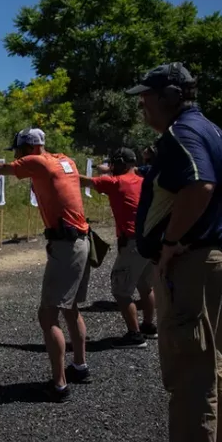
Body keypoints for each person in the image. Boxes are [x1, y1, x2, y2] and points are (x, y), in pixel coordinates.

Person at [127, 62, 222, 442]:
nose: (141, 104)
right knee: (214, 358)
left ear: (170, 96)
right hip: (216, 258)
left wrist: (172, 242)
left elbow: (199, 186)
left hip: (193, 262)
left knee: (188, 365)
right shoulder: (214, 130)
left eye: (147, 96)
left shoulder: (182, 134)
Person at [0, 128, 90, 403]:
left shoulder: (38, 161)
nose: (16, 156)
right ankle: (79, 366)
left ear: (27, 149)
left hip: (66, 244)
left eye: (18, 151)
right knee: (70, 308)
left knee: (48, 315)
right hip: (79, 240)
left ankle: (59, 385)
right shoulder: (65, 160)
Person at [80, 147, 156, 347]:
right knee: (145, 286)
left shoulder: (115, 182)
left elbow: (83, 181)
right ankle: (148, 325)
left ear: (121, 163)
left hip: (132, 241)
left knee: (121, 290)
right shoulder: (142, 180)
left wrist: (61, 172)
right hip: (149, 240)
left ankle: (135, 335)